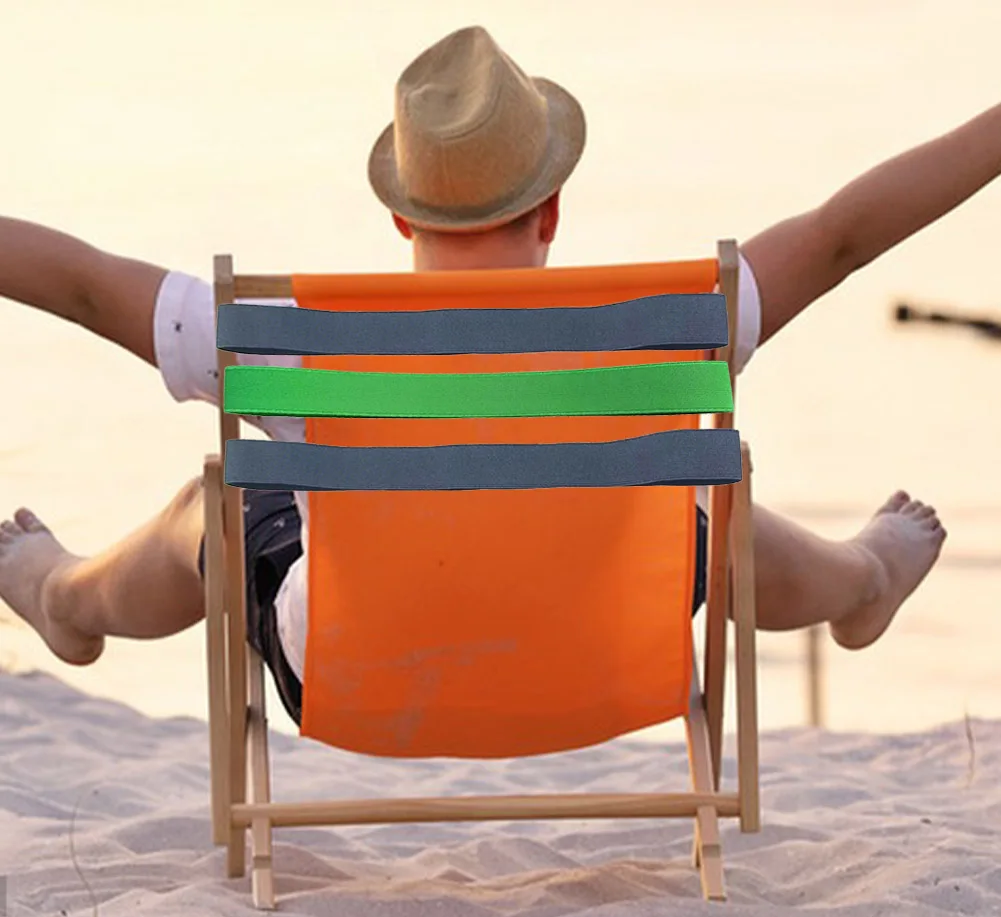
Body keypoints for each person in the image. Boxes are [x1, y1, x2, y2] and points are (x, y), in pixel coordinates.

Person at [4, 23, 993, 725]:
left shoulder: (286, 343)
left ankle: (66, 600)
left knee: (214, 502)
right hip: (611, 664)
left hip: (357, 682)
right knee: (699, 490)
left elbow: (86, 286)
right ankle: (862, 580)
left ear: (401, 213)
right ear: (551, 205)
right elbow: (841, 237)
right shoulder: (666, 328)